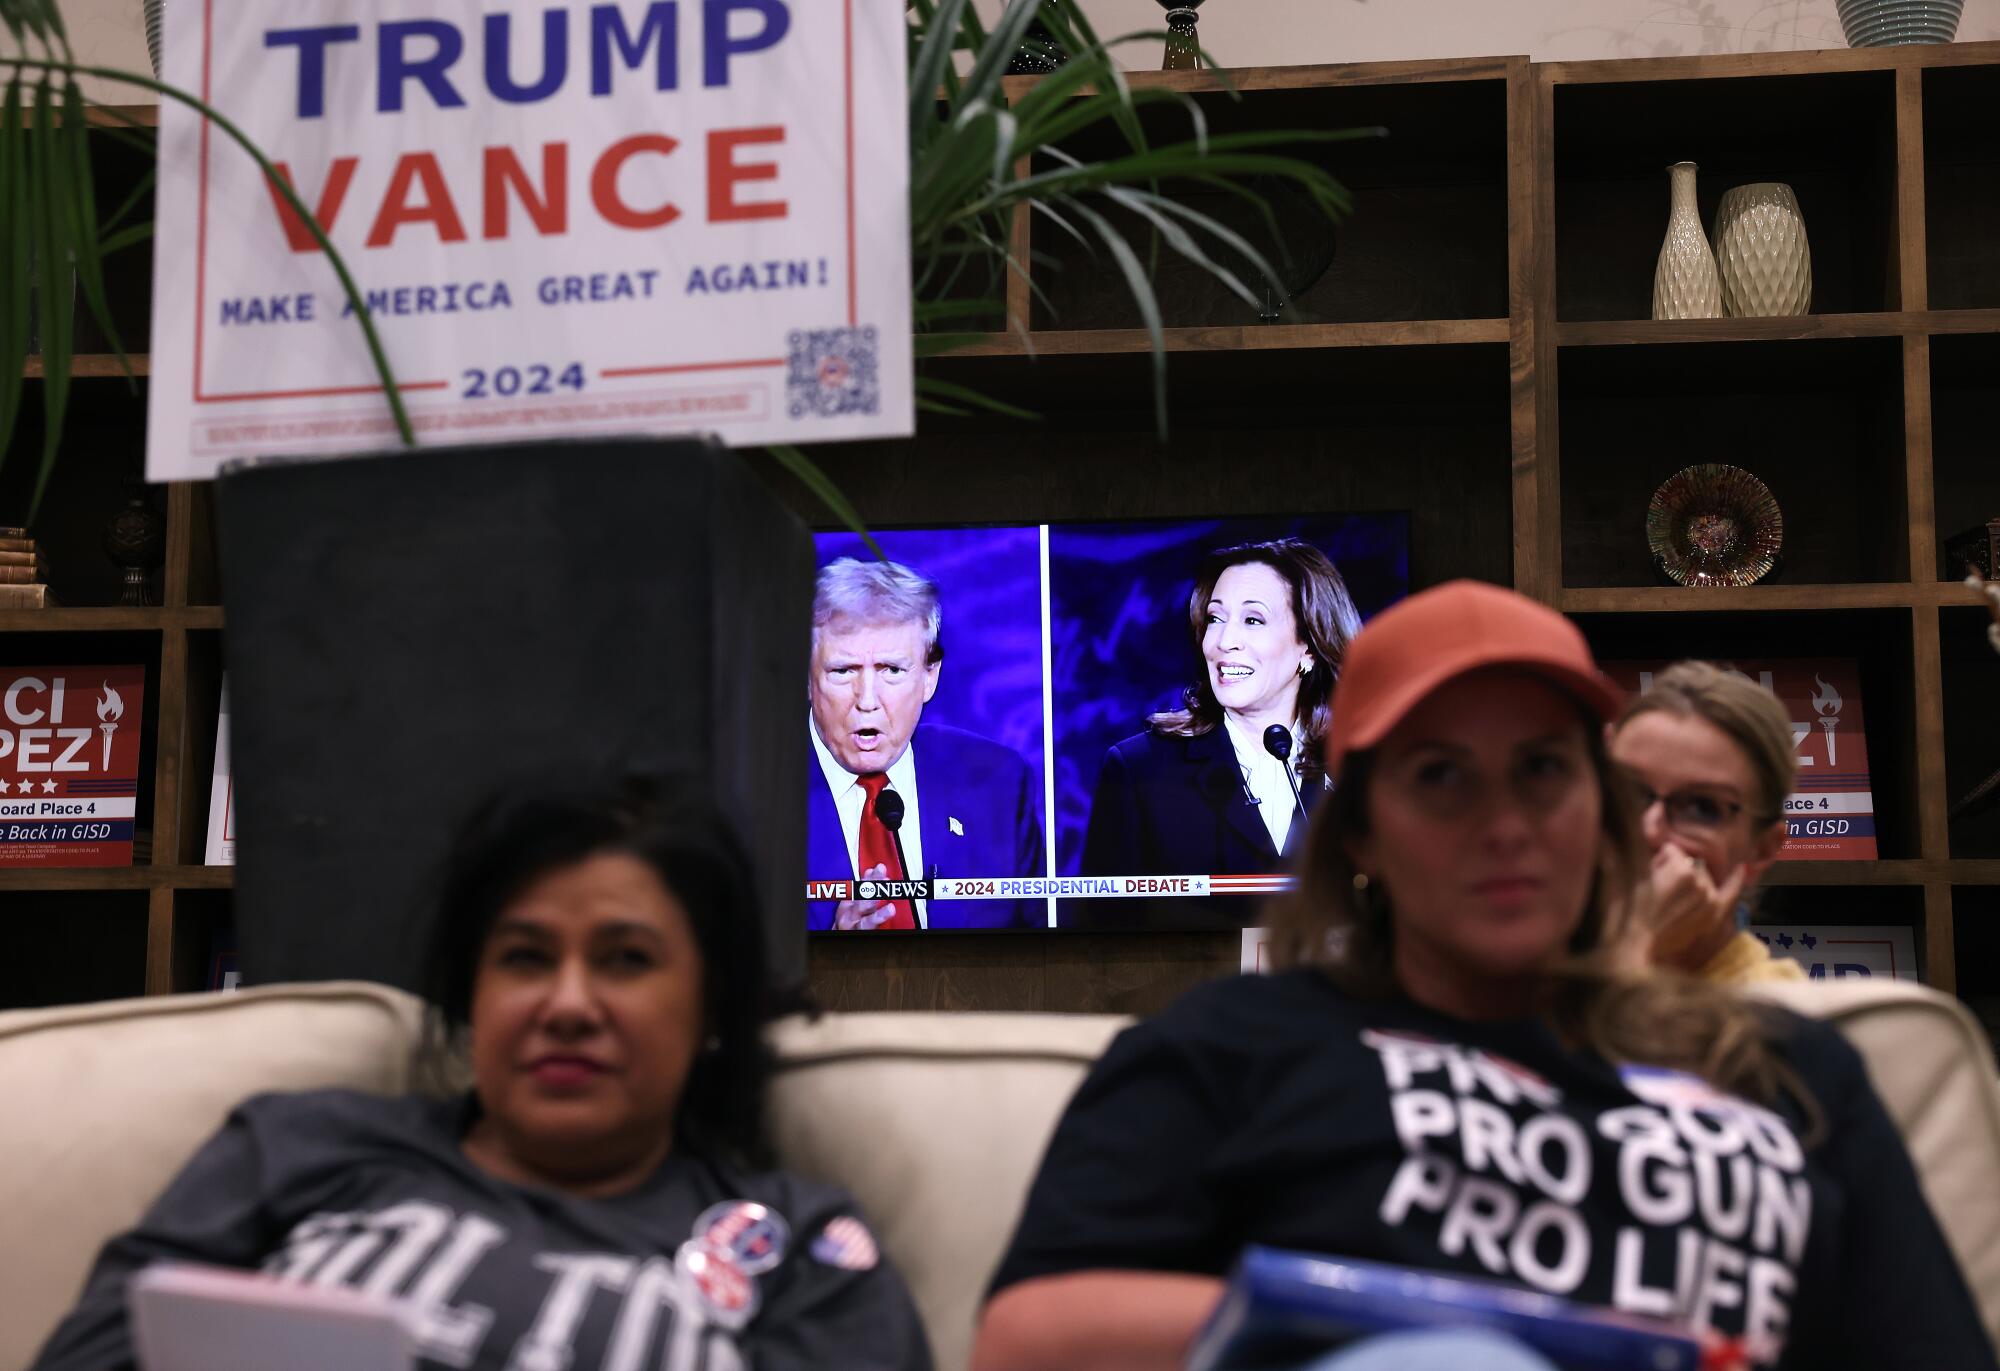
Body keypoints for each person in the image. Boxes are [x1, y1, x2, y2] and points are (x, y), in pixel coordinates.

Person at [976, 581, 1991, 1371]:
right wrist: (1445, 1325)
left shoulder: (1792, 1069)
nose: (1503, 823)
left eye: (1542, 769)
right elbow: (1023, 1340)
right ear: (1361, 830)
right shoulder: (1229, 1047)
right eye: (1441, 776)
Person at [32, 775, 932, 1371]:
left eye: (626, 958)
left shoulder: (805, 1252)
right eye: (526, 957)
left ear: (709, 1010)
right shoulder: (295, 1147)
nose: (568, 1003)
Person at [1076, 540, 1360, 925]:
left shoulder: (1359, 768)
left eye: (1253, 620)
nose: (1224, 642)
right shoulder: (1139, 771)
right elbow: (1102, 943)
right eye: (1215, 618)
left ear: (1308, 646)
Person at [807, 557, 1044, 932]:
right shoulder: (747, 798)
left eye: (892, 670)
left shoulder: (998, 783)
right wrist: (830, 957)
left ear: (929, 677)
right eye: (843, 671)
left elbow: (1045, 965)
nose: (867, 699)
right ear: (806, 677)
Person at [1610, 661, 1806, 984]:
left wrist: (1639, 943)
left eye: (1701, 807)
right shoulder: (1527, 963)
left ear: (1762, 849)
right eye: (1628, 792)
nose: (1648, 829)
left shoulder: (1780, 1013)